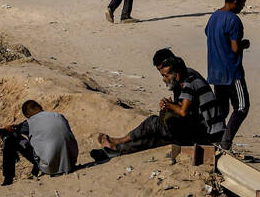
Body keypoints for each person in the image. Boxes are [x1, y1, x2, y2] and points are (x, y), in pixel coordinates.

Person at [95, 55, 224, 158]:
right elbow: (187, 108)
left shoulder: (189, 82)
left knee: (153, 123)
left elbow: (184, 112)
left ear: (176, 73)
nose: (163, 79)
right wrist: (171, 106)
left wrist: (169, 105)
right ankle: (115, 150)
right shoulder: (187, 79)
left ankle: (119, 142)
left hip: (206, 134)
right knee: (156, 139)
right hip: (204, 132)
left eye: (165, 75)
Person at [205, 0, 251, 150]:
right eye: (243, 3)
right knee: (242, 107)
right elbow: (235, 48)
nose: (243, 7)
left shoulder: (214, 17)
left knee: (222, 110)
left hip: (215, 72)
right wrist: (243, 44)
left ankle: (215, 140)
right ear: (235, 1)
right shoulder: (233, 20)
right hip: (231, 72)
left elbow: (209, 35)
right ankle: (225, 142)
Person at [2, 99, 78, 184]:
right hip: (70, 164)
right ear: (40, 107)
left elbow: (11, 132)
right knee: (43, 141)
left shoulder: (29, 122)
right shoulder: (59, 116)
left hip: (50, 167)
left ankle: (8, 180)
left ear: (27, 115)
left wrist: (8, 129)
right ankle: (35, 171)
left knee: (10, 139)